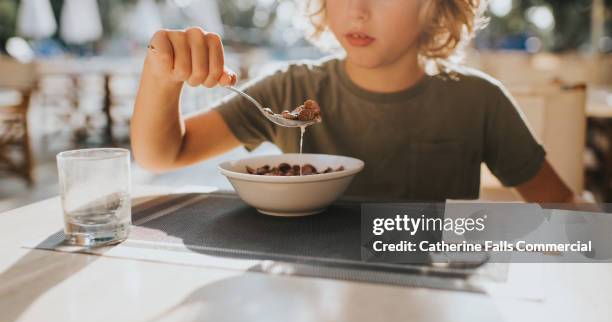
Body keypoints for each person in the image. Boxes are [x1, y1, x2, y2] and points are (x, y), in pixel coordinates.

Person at [131, 0, 576, 202]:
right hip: (312, 290)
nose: (357, 10)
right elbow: (164, 154)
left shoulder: (479, 102)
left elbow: (562, 209)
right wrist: (161, 76)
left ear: (437, 8)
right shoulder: (290, 91)